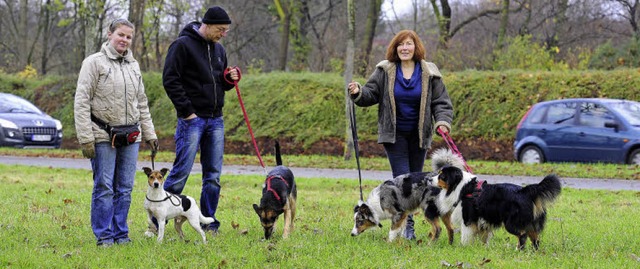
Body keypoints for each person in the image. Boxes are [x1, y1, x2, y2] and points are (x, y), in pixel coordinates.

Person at [348, 30, 454, 240]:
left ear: (416, 47)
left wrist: (442, 122)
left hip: (419, 135)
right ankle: (408, 230)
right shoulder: (385, 70)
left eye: (409, 44)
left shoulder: (429, 72)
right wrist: (358, 91)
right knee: (403, 181)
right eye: (400, 44)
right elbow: (370, 94)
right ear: (395, 48)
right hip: (394, 136)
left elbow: (441, 102)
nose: (405, 48)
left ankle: (412, 224)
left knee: (418, 181)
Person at [74, 18, 158, 247]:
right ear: (110, 34)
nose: (125, 40)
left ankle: (121, 233)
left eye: (129, 37)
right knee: (104, 186)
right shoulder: (93, 63)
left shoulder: (134, 65)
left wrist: (150, 133)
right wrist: (85, 138)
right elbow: (82, 101)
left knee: (125, 187)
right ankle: (104, 235)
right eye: (121, 35)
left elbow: (142, 102)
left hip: (131, 136)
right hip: (102, 136)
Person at [160, 6, 239, 235]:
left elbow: (220, 82)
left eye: (226, 30)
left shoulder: (219, 50)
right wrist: (187, 112)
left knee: (213, 176)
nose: (223, 34)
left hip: (216, 120)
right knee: (181, 172)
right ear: (207, 24)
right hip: (192, 120)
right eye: (220, 29)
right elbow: (170, 80)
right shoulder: (182, 45)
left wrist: (229, 79)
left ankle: (208, 222)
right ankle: (159, 221)